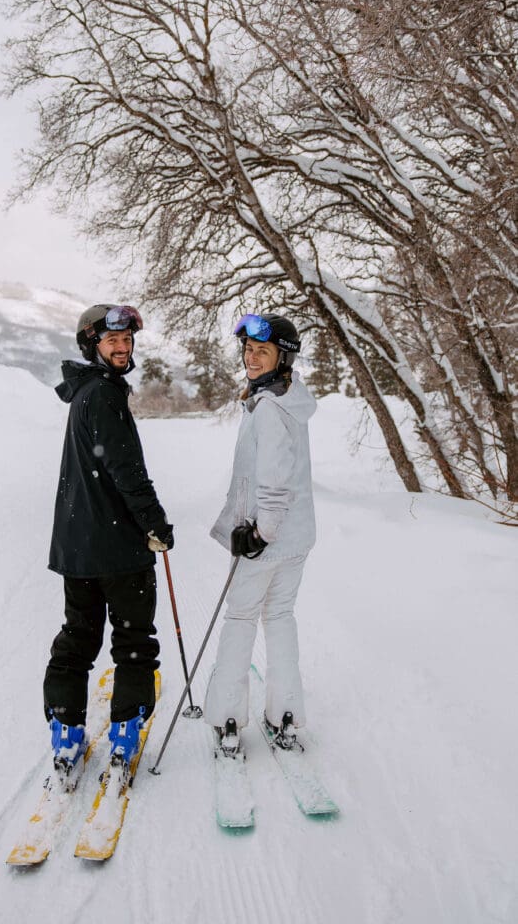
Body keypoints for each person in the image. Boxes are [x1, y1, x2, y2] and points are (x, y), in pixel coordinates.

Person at [44, 303, 174, 782]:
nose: (122, 348)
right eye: (112, 341)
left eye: (126, 341)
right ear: (91, 345)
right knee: (134, 642)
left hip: (79, 548)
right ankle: (123, 731)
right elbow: (126, 472)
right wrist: (157, 524)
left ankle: (66, 730)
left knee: (78, 638)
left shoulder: (86, 391)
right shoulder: (103, 394)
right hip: (117, 549)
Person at [204, 312, 316, 755]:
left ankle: (228, 719)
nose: (251, 357)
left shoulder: (269, 409)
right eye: (248, 350)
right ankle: (285, 716)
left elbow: (274, 482)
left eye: (261, 351)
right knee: (280, 618)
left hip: (268, 542)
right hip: (297, 540)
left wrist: (258, 535)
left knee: (240, 620)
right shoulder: (288, 399)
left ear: (282, 358)